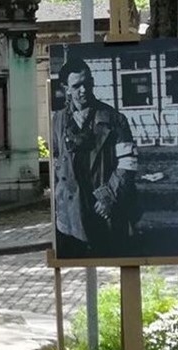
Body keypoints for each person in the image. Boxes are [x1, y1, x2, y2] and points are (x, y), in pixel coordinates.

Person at [52, 57, 138, 258]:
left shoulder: (115, 119)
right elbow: (56, 161)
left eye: (87, 84)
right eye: (77, 86)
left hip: (104, 209)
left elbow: (128, 163)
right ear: (66, 88)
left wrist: (109, 195)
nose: (83, 90)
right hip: (70, 217)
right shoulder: (58, 120)